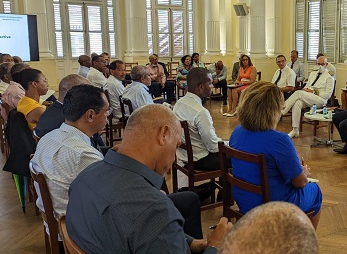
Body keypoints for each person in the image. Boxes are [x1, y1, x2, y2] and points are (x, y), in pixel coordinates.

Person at [66, 104, 232, 253]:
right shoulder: (154, 211)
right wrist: (215, 245)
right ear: (163, 134)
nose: (174, 158)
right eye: (176, 146)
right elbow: (148, 224)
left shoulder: (83, 177)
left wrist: (191, 243)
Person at [230, 81, 322, 229]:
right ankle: (305, 244)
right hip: (271, 205)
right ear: (272, 110)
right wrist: (303, 172)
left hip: (243, 199)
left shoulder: (237, 131)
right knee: (315, 190)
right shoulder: (279, 140)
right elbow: (300, 182)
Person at [30, 84, 107, 216]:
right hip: (72, 224)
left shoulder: (49, 137)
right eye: (106, 111)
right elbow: (105, 196)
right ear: (90, 115)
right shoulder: (83, 154)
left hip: (52, 216)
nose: (108, 116)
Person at [173, 67, 225, 171]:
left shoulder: (179, 103)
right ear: (201, 87)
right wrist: (227, 143)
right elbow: (213, 147)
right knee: (238, 158)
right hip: (200, 159)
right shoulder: (201, 112)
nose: (212, 86)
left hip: (183, 156)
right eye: (210, 83)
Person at [218, 202, 318, 254]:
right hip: (273, 196)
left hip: (242, 197)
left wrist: (213, 246)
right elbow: (300, 181)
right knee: (316, 192)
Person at [282, 55, 334, 138]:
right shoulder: (313, 74)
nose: (320, 66)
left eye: (322, 64)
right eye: (318, 64)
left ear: (326, 64)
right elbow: (307, 86)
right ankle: (295, 130)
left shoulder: (329, 77)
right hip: (308, 97)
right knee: (297, 103)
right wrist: (306, 89)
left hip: (320, 100)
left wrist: (313, 91)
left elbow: (328, 95)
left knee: (298, 93)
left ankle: (282, 110)